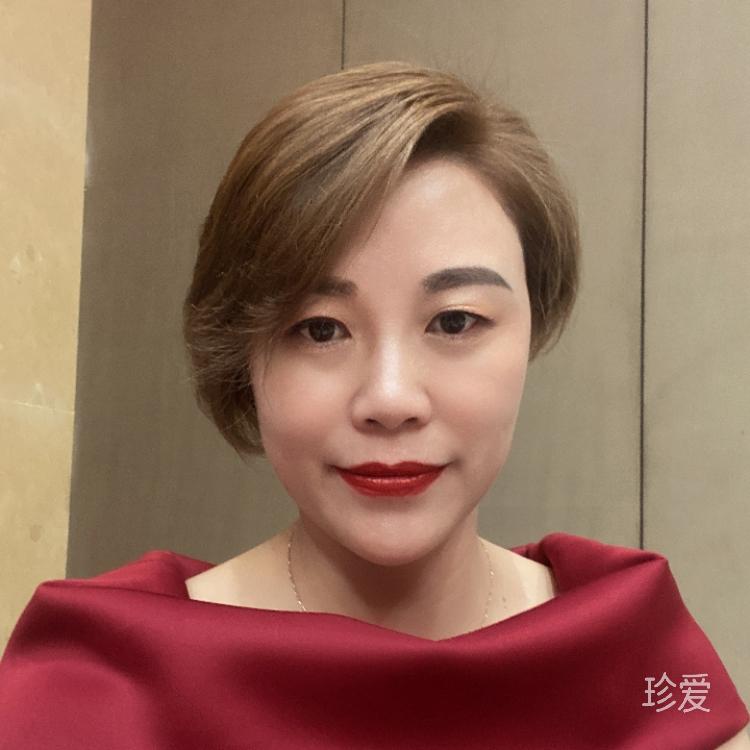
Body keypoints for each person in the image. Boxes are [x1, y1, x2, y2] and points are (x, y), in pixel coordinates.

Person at [0, 61, 747, 749]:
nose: (390, 399)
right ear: (242, 352)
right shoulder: (103, 682)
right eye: (319, 329)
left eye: (455, 321)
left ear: (533, 326)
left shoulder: (636, 654)